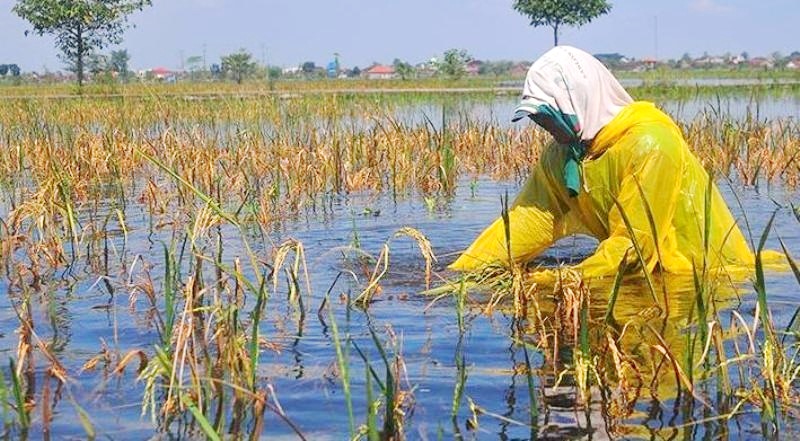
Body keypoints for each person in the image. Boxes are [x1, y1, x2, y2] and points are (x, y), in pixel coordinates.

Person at [449, 46, 780, 279]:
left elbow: (633, 250)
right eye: (537, 117)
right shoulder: (564, 155)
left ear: (581, 100)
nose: (543, 126)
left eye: (549, 115)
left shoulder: (651, 145)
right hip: (635, 274)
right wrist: (465, 271)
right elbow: (526, 221)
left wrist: (554, 280)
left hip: (700, 276)